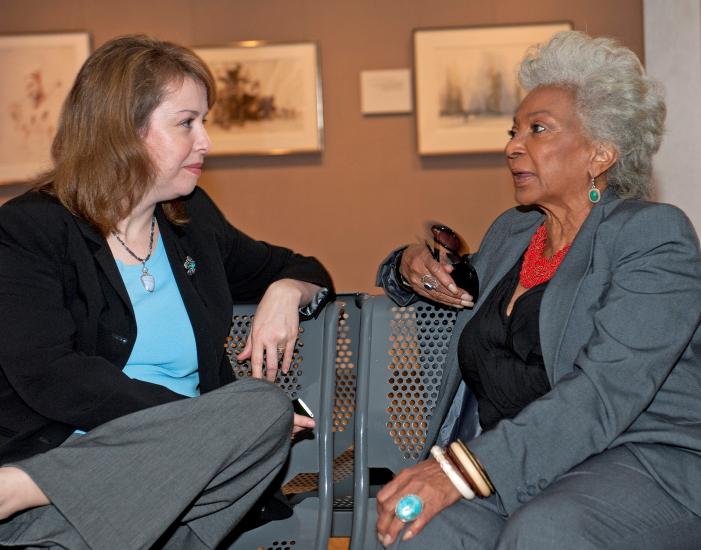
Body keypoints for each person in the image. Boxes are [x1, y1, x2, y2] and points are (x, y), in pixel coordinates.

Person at [0, 35, 334, 549]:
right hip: (71, 444)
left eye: (204, 122)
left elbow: (302, 265)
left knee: (259, 414)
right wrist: (196, 420)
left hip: (126, 487)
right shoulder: (29, 229)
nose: (206, 142)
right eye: (186, 123)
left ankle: (30, 495)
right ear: (124, 134)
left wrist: (287, 291)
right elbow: (54, 378)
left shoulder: (191, 221)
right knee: (260, 413)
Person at [375, 30, 701, 548]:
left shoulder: (653, 236)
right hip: (529, 462)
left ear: (600, 153)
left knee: (546, 530)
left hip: (642, 458)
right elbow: (448, 286)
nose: (512, 146)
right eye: (513, 130)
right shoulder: (515, 231)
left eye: (538, 129)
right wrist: (407, 266)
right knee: (422, 527)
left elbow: (604, 391)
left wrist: (461, 472)